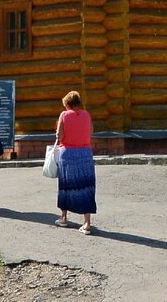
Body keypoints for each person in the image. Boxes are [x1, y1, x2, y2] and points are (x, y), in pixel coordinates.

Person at [54, 90, 96, 234]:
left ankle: (64, 218)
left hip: (68, 153)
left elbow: (60, 136)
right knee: (86, 186)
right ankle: (87, 223)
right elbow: (91, 131)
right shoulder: (86, 115)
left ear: (67, 104)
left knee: (66, 185)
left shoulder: (64, 115)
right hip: (85, 153)